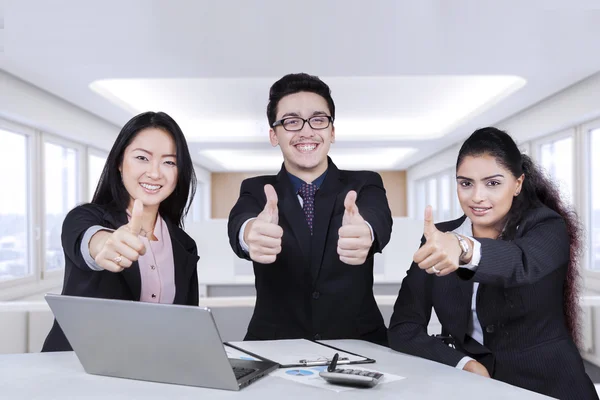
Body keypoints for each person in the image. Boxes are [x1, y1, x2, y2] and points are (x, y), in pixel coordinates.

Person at [388, 127, 597, 399]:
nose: (477, 197)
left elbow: (520, 263)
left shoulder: (546, 226)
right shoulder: (439, 237)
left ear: (518, 183)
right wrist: (463, 363)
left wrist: (463, 248)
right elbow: (404, 328)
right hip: (475, 389)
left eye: (493, 183)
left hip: (550, 388)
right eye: (466, 183)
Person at [227, 73, 393, 345]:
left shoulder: (364, 183)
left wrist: (367, 232)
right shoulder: (256, 190)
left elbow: (378, 219)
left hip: (359, 345)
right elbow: (241, 221)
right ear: (273, 135)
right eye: (292, 121)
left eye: (318, 120)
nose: (306, 131)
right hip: (274, 345)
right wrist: (249, 235)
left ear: (332, 131)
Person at [42, 111, 200, 352]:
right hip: (76, 373)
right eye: (142, 158)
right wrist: (104, 245)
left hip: (148, 375)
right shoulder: (84, 218)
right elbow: (91, 240)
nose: (155, 173)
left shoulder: (183, 244)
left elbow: (186, 326)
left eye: (169, 162)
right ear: (119, 162)